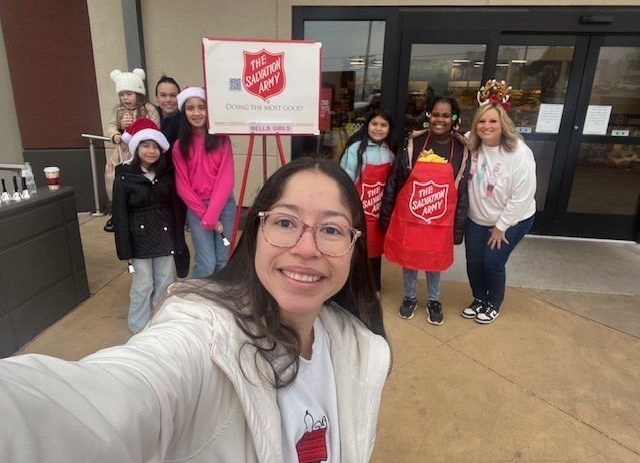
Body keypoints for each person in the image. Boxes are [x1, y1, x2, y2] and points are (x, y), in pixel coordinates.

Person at [0, 156, 391, 462]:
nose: (307, 248)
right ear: (256, 234)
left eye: (332, 229)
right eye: (285, 222)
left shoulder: (355, 345)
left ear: (355, 250)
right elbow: (106, 403)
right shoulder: (205, 338)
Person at [380, 96, 469, 325]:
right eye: (436, 114)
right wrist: (387, 216)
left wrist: (458, 230)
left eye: (446, 115)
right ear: (428, 116)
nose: (440, 119)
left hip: (441, 219)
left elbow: (463, 192)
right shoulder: (414, 143)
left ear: (454, 119)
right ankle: (409, 297)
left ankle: (433, 300)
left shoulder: (461, 149)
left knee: (434, 261)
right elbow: (395, 180)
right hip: (412, 216)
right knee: (409, 259)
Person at [462, 80, 536, 324]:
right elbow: (446, 137)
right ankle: (479, 298)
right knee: (474, 261)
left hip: (513, 219)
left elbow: (522, 196)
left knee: (492, 261)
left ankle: (493, 302)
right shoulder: (471, 145)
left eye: (493, 121)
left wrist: (501, 226)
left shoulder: (519, 153)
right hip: (477, 218)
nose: (486, 126)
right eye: (481, 121)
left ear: (503, 124)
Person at [112, 118, 177, 334]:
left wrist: (177, 238)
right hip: (138, 239)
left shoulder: (166, 172)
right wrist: (125, 250)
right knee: (142, 285)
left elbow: (173, 208)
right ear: (136, 147)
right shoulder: (124, 174)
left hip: (163, 235)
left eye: (155, 146)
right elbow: (119, 215)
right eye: (145, 145)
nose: (151, 151)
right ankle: (139, 326)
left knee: (165, 281)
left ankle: (159, 321)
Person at [172, 87, 236, 278]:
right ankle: (198, 300)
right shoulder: (179, 146)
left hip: (224, 206)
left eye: (202, 107)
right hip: (197, 209)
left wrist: (213, 214)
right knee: (207, 263)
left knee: (223, 260)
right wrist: (205, 215)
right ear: (184, 112)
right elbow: (183, 186)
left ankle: (218, 300)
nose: (197, 113)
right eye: (191, 108)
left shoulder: (222, 140)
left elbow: (226, 179)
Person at [339, 109, 396, 292]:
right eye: (374, 124)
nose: (378, 129)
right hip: (358, 211)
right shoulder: (355, 150)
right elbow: (345, 182)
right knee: (357, 249)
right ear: (367, 125)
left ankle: (373, 287)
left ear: (389, 128)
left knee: (375, 251)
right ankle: (352, 288)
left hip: (379, 212)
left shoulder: (390, 151)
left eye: (383, 125)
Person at [104, 68, 160, 232]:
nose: (125, 98)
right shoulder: (119, 111)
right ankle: (117, 209)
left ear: (139, 93)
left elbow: (155, 129)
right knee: (112, 173)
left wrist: (135, 124)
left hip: (142, 152)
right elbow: (111, 126)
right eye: (122, 94)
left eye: (129, 93)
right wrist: (116, 134)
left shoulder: (148, 109)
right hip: (123, 150)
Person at [154, 75, 190, 278]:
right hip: (154, 187)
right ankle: (163, 280)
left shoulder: (185, 122)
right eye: (163, 95)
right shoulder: (150, 120)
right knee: (158, 234)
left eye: (173, 95)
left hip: (177, 186)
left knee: (176, 235)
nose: (168, 99)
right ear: (157, 97)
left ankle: (182, 280)